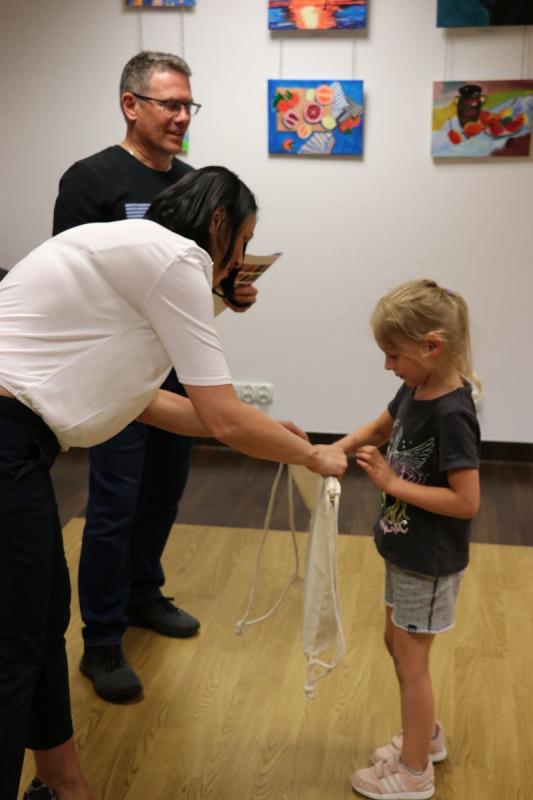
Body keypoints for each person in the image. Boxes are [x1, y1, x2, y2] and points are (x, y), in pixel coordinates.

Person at [0, 165, 347, 800]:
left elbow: (152, 403)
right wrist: (311, 455)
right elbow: (223, 416)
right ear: (218, 224)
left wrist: (275, 435)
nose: (238, 261)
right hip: (7, 439)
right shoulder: (177, 259)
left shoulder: (131, 251)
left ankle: (63, 782)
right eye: (242, 242)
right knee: (15, 641)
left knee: (41, 617)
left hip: (17, 444)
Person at [53, 51, 258, 703]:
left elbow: (195, 278)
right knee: (113, 503)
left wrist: (231, 289)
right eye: (169, 104)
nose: (181, 117)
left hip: (174, 367)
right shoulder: (90, 179)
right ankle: (101, 639)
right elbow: (73, 279)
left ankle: (143, 593)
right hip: (116, 372)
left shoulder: (194, 183)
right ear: (130, 104)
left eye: (187, 105)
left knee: (164, 491)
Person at [335, 279, 481, 800]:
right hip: (403, 549)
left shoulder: (453, 412)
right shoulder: (415, 389)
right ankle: (427, 737)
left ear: (431, 347)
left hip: (429, 560)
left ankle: (415, 772)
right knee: (395, 645)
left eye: (394, 355)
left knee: (411, 663)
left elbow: (466, 502)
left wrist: (392, 484)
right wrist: (336, 449)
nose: (387, 365)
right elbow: (380, 428)